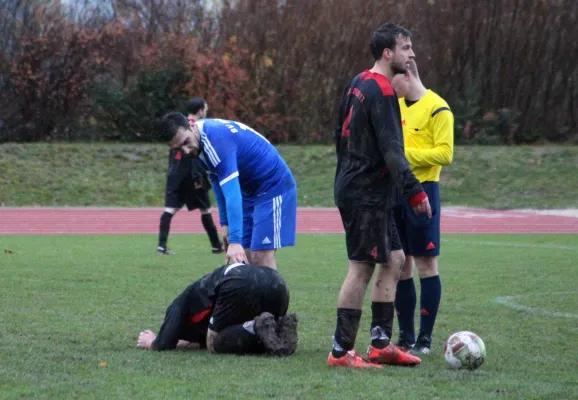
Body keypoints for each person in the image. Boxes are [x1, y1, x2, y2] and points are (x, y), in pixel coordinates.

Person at [328, 23, 432, 369]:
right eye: (406, 48)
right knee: (361, 268)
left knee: (397, 258)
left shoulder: (358, 82)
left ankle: (380, 344)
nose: (411, 54)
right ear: (388, 53)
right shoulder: (383, 91)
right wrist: (415, 192)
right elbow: (392, 149)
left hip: (365, 189)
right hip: (365, 193)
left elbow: (338, 136)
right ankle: (341, 352)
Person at [157, 113, 297, 270]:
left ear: (191, 125)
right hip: (249, 191)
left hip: (273, 185)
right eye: (178, 149)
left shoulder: (216, 141)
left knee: (260, 255)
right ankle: (253, 294)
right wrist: (225, 226)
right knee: (245, 256)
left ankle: (275, 295)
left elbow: (232, 194)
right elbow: (217, 183)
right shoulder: (200, 143)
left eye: (185, 142)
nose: (186, 151)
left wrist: (235, 240)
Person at [391, 59, 454, 354]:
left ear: (407, 75)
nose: (391, 87)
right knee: (400, 263)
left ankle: (425, 340)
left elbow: (445, 153)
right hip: (395, 192)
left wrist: (403, 155)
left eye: (394, 80)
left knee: (426, 264)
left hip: (424, 192)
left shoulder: (438, 108)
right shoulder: (395, 105)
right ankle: (407, 337)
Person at [136, 262, 298, 356]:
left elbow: (163, 343)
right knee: (250, 330)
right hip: (278, 281)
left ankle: (256, 328)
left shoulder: (180, 303)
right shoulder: (203, 303)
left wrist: (151, 342)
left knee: (214, 344)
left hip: (239, 282)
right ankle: (279, 329)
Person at [157, 97, 223, 255]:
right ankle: (216, 245)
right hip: (192, 175)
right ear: (201, 110)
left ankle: (161, 246)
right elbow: (193, 155)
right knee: (205, 209)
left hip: (174, 174)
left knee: (170, 209)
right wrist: (198, 176)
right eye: (205, 108)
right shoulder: (194, 128)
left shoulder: (175, 125)